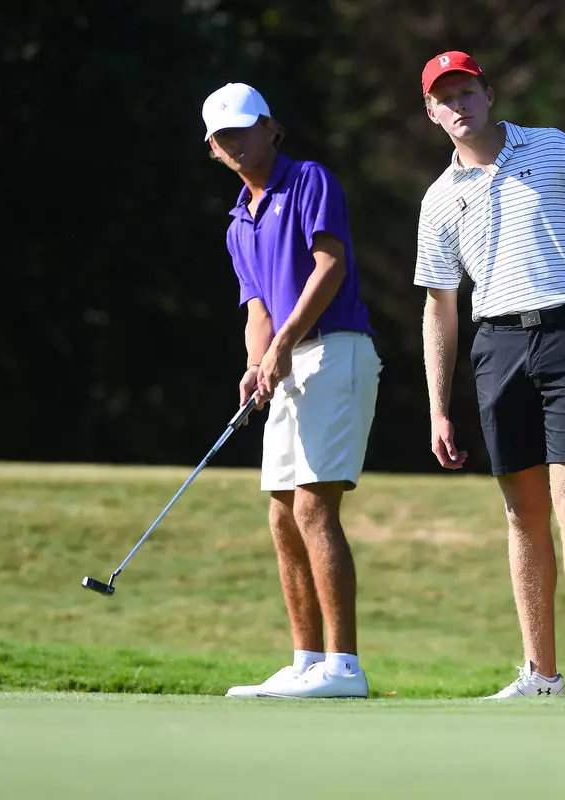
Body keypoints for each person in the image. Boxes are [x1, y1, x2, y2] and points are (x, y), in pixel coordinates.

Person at [413, 52, 565, 698]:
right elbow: (439, 305)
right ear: (431, 113)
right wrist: (439, 404)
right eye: (446, 98)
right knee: (522, 513)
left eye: (468, 92)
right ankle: (540, 672)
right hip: (497, 346)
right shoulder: (440, 199)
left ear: (489, 95)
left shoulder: (552, 149)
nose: (460, 106)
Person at [201, 82, 382, 699]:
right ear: (214, 149)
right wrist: (257, 365)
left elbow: (329, 266)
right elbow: (257, 307)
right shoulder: (237, 223)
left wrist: (281, 347)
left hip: (336, 347)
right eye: (224, 137)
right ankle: (306, 661)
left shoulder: (309, 180)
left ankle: (345, 668)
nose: (237, 143)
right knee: (282, 513)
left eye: (245, 130)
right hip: (288, 360)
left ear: (271, 129)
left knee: (313, 506)